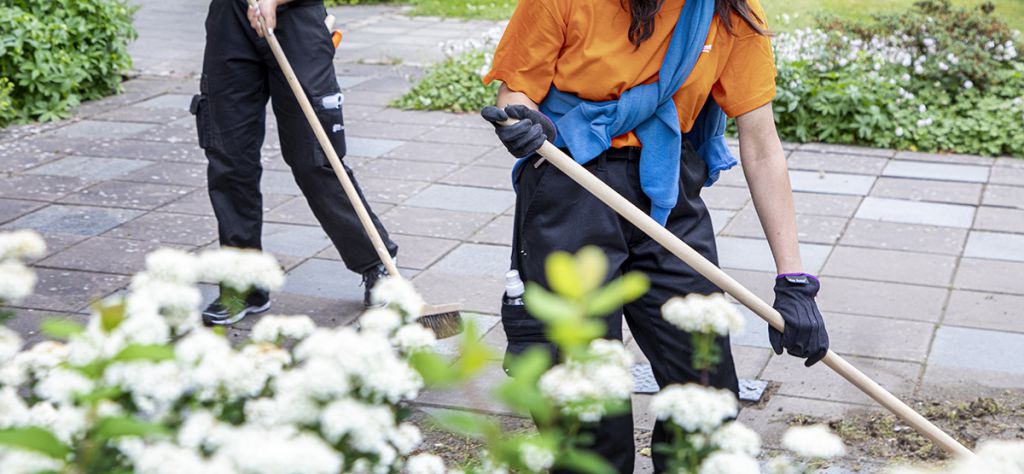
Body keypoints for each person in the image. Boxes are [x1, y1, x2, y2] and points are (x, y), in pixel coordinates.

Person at [480, 0, 829, 471]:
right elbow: (515, 92)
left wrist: (794, 280)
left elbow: (763, 146)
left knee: (706, 398)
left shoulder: (727, 11)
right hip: (571, 184)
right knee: (587, 412)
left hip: (666, 188)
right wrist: (519, 122)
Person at [192, 0, 397, 325]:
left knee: (315, 156)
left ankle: (376, 263)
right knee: (229, 156)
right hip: (230, 18)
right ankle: (242, 282)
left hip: (298, 18)